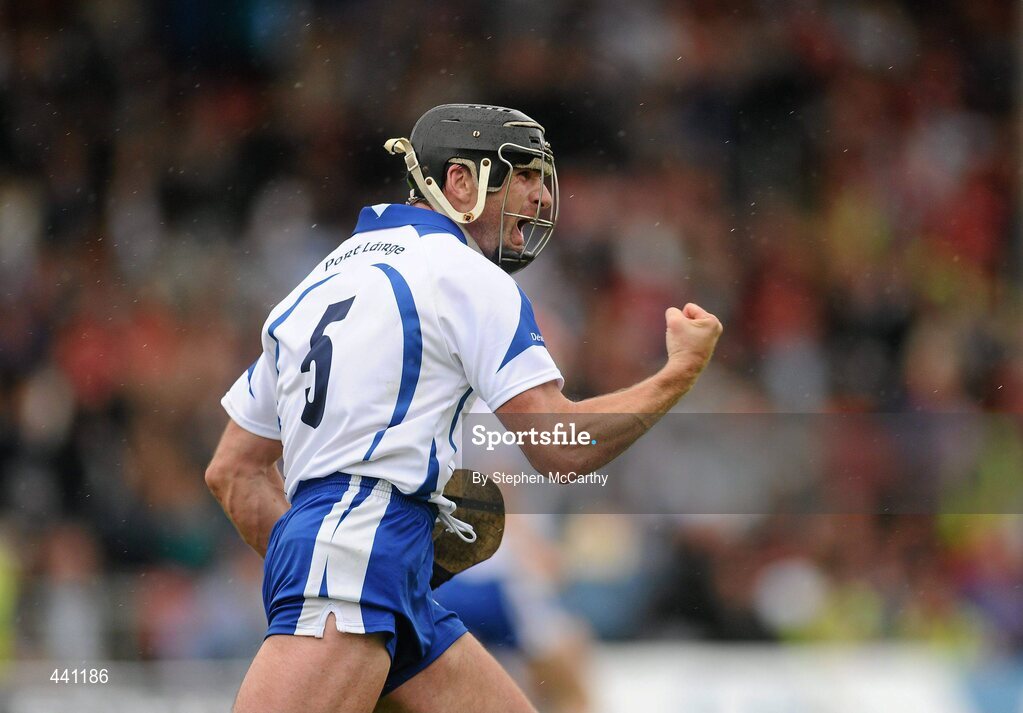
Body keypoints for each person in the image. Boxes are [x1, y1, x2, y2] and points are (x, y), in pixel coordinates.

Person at [205, 103, 722, 713]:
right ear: (459, 182)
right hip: (364, 549)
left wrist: (316, 550)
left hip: (373, 560)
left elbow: (233, 471)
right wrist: (677, 374)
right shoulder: (464, 274)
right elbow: (561, 446)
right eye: (522, 175)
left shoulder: (309, 288)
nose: (540, 198)